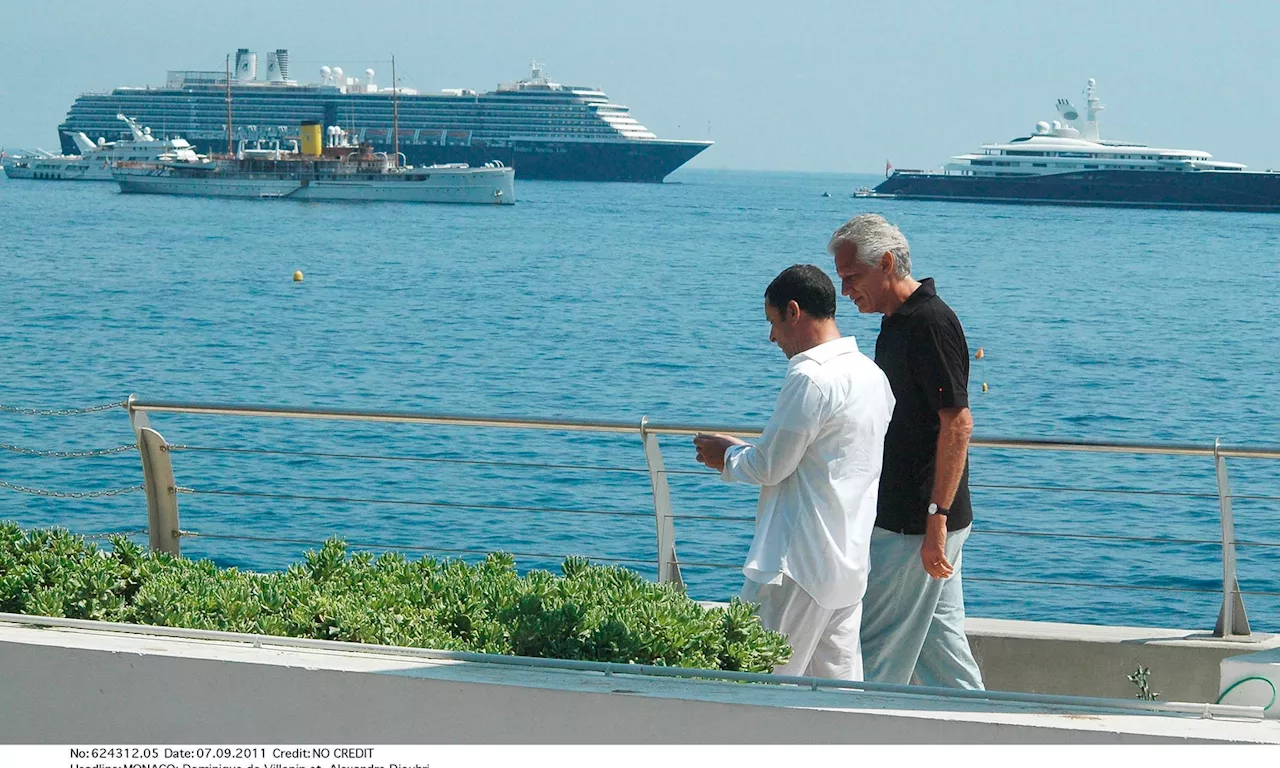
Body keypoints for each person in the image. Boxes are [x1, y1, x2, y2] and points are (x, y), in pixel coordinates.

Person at [693, 264, 895, 680]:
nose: (772, 337)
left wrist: (726, 457)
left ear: (793, 311)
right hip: (847, 565)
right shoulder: (873, 376)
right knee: (837, 704)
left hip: (795, 565)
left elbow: (771, 466)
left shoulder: (811, 376)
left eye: (772, 322)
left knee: (755, 686)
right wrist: (747, 451)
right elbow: (822, 460)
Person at [829, 213, 984, 689]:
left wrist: (935, 518)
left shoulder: (930, 323)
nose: (845, 291)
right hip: (917, 518)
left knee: (874, 653)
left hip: (916, 523)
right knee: (942, 656)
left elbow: (957, 422)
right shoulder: (896, 322)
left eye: (852, 277)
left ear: (888, 263)